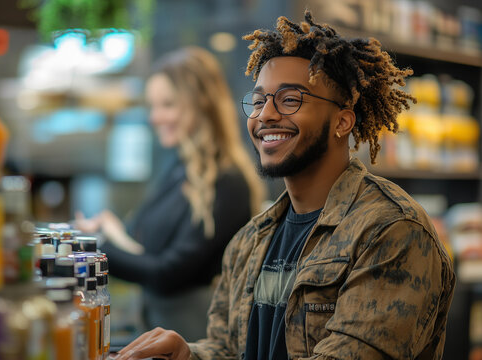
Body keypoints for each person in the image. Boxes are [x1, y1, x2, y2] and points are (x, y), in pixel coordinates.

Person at [113, 11, 456, 360]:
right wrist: (190, 354)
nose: (265, 115)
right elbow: (230, 349)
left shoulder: (390, 231)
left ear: (342, 121)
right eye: (259, 100)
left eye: (290, 100)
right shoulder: (250, 241)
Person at [76, 47, 266, 342]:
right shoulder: (179, 168)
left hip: (198, 340)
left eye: (167, 104)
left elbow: (168, 274)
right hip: (160, 329)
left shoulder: (228, 182)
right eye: (153, 106)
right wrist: (111, 232)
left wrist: (98, 247)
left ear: (201, 104)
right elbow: (146, 251)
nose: (155, 117)